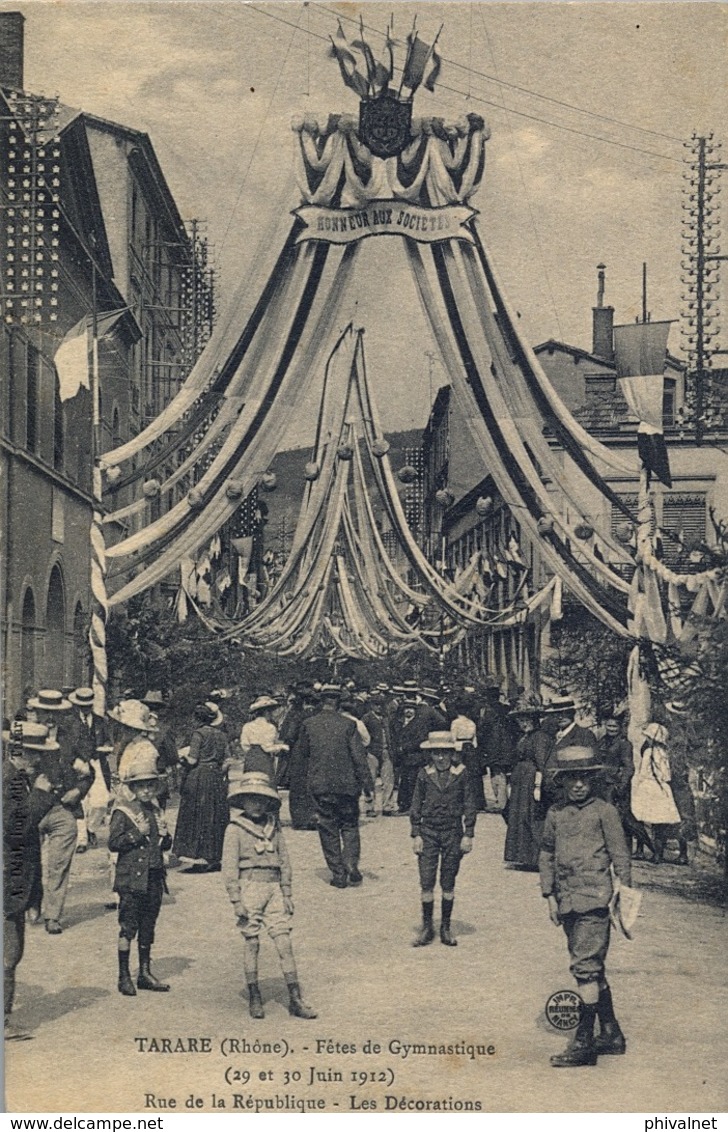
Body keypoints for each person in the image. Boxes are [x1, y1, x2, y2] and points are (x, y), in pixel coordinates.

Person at [539, 744, 633, 1067]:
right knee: (591, 967)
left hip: (595, 901)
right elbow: (547, 853)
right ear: (561, 782)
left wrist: (622, 891)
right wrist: (549, 894)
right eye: (571, 779)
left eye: (584, 778)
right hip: (567, 901)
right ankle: (611, 1033)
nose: (578, 785)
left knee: (585, 969)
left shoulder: (605, 812)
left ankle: (583, 1042)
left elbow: (621, 855)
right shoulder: (556, 814)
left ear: (593, 780)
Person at [222, 770, 316, 1020]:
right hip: (249, 886)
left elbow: (284, 859)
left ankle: (295, 998)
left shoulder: (274, 826)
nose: (256, 804)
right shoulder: (235, 829)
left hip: (274, 888)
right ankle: (255, 995)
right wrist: (236, 900)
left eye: (261, 799)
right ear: (242, 801)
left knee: (284, 942)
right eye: (251, 799)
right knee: (252, 942)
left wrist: (287, 891)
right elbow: (229, 867)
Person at [3, 722, 56, 1039]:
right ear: (19, 752)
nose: (38, 761)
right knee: (8, 954)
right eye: (35, 754)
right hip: (7, 877)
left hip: (15, 878)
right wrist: (40, 795)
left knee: (12, 952)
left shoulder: (16, 778)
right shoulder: (9, 781)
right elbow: (15, 829)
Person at [295, 684, 375, 888]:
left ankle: (338, 873)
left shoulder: (308, 724)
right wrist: (367, 786)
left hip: (321, 786)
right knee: (349, 825)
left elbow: (301, 757)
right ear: (339, 702)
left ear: (322, 701)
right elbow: (359, 758)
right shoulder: (349, 725)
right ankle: (350, 864)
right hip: (347, 786)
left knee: (328, 827)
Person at [109, 747, 172, 996]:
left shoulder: (156, 812)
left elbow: (163, 844)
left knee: (149, 926)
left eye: (150, 786)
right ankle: (124, 975)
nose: (146, 790)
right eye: (141, 786)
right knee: (128, 926)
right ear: (132, 789)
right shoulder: (123, 812)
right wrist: (137, 834)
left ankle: (144, 972)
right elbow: (114, 842)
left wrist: (166, 836)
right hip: (131, 880)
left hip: (154, 877)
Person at [29, 689, 93, 935]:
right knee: (28, 861)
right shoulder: (24, 735)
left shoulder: (73, 737)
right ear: (37, 711)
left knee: (58, 864)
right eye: (46, 713)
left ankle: (53, 915)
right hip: (32, 807)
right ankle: (33, 900)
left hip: (61, 809)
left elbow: (89, 773)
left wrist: (78, 790)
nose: (50, 719)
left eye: (56, 714)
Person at [410, 731, 477, 947]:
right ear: (430, 754)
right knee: (427, 880)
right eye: (436, 753)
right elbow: (416, 805)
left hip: (452, 832)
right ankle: (427, 926)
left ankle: (445, 927)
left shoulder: (462, 773)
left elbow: (469, 804)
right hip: (428, 831)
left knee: (448, 880)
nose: (440, 758)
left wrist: (468, 834)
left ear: (452, 753)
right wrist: (416, 833)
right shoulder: (424, 774)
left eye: (445, 753)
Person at [173, 702, 230, 873]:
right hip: (216, 777)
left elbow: (192, 760)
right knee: (215, 814)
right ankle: (215, 855)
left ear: (197, 718)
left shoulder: (198, 734)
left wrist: (181, 758)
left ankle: (199, 856)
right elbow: (227, 761)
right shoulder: (221, 735)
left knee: (197, 814)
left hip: (199, 776)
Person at [503, 695, 552, 870]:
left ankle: (533, 857)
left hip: (530, 781)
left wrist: (538, 786)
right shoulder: (524, 737)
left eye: (527, 720)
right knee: (518, 816)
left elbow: (541, 763)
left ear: (535, 720)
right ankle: (521, 856)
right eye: (521, 720)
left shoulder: (540, 738)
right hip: (520, 782)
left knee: (530, 817)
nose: (524, 723)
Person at [597, 713, 654, 860]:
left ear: (620, 728)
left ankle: (653, 849)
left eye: (614, 726)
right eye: (609, 726)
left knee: (626, 820)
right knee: (609, 818)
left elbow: (629, 767)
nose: (611, 729)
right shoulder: (603, 741)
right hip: (602, 784)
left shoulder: (624, 744)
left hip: (615, 786)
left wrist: (621, 786)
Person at [631, 722, 682, 864]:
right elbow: (667, 776)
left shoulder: (648, 752)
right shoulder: (664, 753)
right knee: (660, 823)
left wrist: (639, 784)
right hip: (663, 788)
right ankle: (658, 855)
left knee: (645, 819)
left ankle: (652, 853)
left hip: (649, 787)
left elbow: (642, 773)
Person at [392, 687, 447, 814]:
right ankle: (405, 805)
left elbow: (420, 738)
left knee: (412, 781)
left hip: (415, 756)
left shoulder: (418, 721)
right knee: (406, 781)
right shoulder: (401, 721)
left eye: (411, 709)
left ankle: (410, 806)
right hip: (406, 757)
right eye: (406, 709)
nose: (408, 711)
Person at [477, 676, 517, 813]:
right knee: (502, 774)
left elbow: (482, 730)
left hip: (493, 747)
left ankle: (501, 803)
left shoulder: (487, 712)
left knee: (496, 774)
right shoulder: (506, 709)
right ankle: (503, 801)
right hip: (507, 747)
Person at [362, 693, 398, 816]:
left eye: (381, 705)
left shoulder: (387, 718)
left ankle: (387, 806)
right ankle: (369, 807)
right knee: (369, 780)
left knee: (388, 780)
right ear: (371, 705)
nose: (379, 707)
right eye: (376, 704)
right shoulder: (366, 718)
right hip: (372, 752)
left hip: (386, 751)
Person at [240, 695, 289, 781]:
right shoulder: (270, 727)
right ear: (266, 712)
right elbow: (268, 747)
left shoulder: (247, 726)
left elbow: (245, 745)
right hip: (264, 759)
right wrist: (281, 747)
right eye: (270, 711)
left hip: (251, 759)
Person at [449, 695, 485, 811]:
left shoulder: (455, 722)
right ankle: (477, 802)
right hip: (471, 748)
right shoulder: (472, 723)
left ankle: (459, 800)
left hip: (460, 748)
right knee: (474, 776)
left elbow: (453, 738)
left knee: (459, 773)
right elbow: (475, 740)